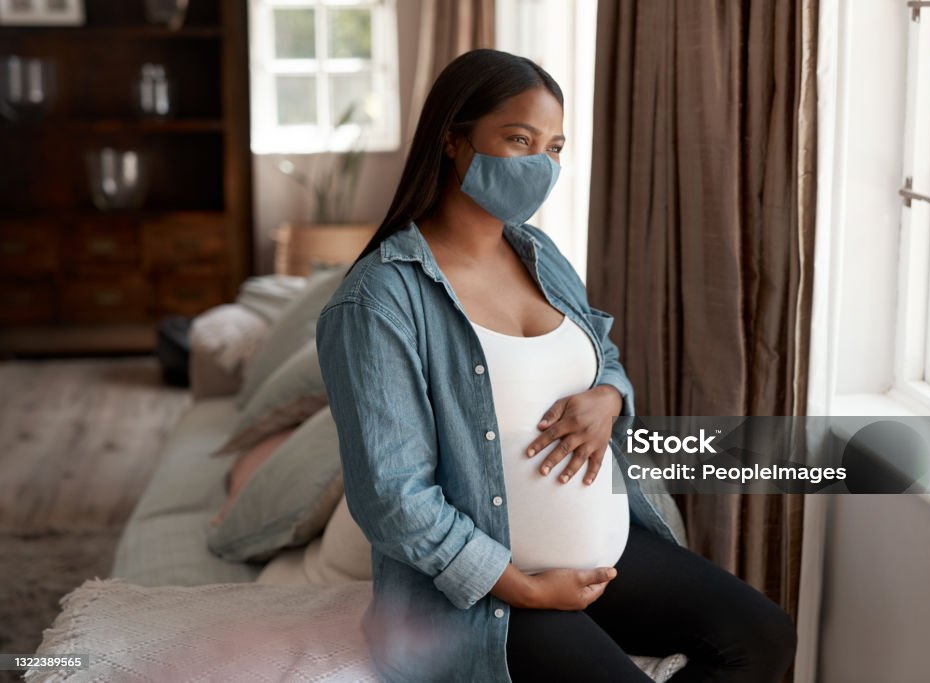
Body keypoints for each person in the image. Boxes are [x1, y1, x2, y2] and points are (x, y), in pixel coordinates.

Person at [316, 48, 797, 683]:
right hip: (487, 594)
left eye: (555, 146)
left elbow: (603, 354)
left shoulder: (537, 252)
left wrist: (610, 397)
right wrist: (525, 589)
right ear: (454, 139)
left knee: (762, 637)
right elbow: (392, 499)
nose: (541, 164)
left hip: (610, 550)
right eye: (519, 139)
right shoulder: (379, 300)